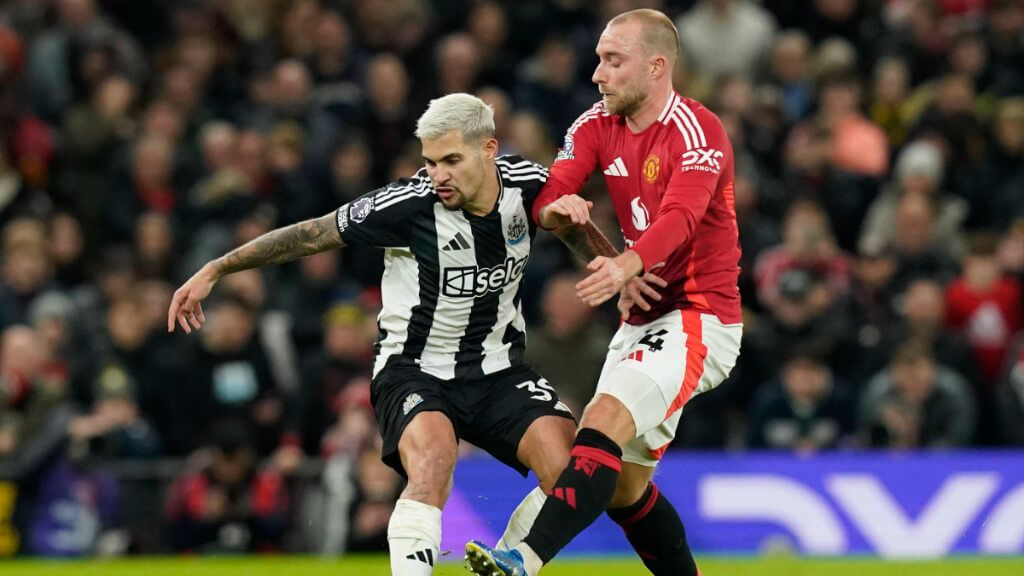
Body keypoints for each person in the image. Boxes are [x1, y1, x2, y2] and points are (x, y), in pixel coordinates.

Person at [168, 93, 637, 575]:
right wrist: (218, 267)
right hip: (414, 372)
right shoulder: (407, 204)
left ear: (489, 149)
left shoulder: (528, 184)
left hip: (499, 371)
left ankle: (508, 565)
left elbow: (567, 225)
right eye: (431, 162)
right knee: (434, 463)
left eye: (452, 160)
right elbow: (314, 233)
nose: (439, 175)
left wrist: (619, 272)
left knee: (571, 472)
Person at [465, 9, 743, 576]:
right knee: (624, 488)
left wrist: (626, 264)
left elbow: (683, 216)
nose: (598, 73)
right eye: (598, 58)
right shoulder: (594, 124)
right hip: (643, 321)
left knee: (603, 418)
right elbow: (551, 196)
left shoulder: (698, 130)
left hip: (699, 317)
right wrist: (556, 209)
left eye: (613, 60)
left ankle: (520, 558)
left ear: (657, 66)